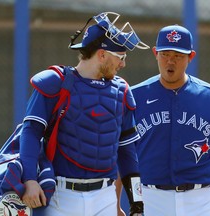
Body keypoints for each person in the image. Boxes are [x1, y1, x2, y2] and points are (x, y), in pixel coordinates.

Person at [20, 12, 149, 216]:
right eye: (121, 57)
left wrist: (137, 204)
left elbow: (127, 151)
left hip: (105, 196)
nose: (123, 64)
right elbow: (30, 133)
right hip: (61, 195)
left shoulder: (122, 91)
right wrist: (29, 180)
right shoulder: (55, 81)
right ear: (102, 54)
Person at [130, 24, 210, 216]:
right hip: (150, 197)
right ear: (155, 53)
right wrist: (116, 202)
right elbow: (123, 154)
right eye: (165, 54)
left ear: (191, 56)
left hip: (199, 200)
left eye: (178, 56)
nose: (170, 62)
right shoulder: (135, 96)